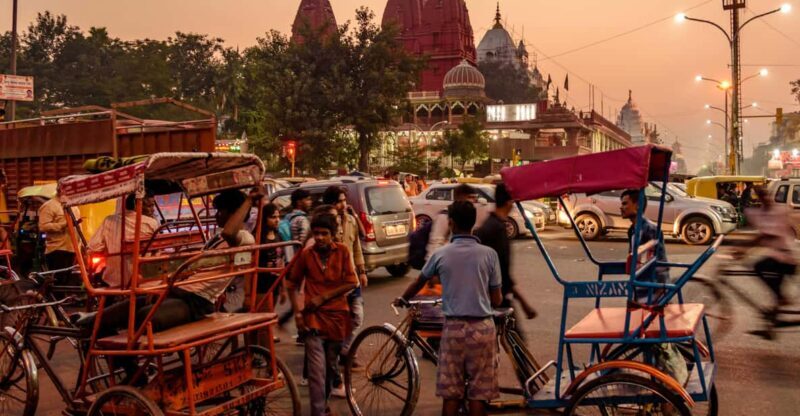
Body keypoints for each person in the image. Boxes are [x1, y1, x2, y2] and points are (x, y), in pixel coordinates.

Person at [75, 189, 260, 382]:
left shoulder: (244, 237)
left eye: (221, 211)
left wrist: (248, 201)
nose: (216, 216)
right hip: (177, 293)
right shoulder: (218, 237)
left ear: (234, 213)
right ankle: (92, 324)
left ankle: (133, 376)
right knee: (109, 317)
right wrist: (162, 287)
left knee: (140, 318)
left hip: (195, 302)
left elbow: (231, 232)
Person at [395, 201, 502, 416]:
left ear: (451, 223)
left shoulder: (441, 254)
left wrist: (403, 298)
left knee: (451, 393)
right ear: (473, 224)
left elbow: (419, 282)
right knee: (478, 393)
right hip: (482, 329)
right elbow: (496, 299)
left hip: (453, 330)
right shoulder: (489, 254)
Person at [287, 212, 358, 416]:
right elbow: (291, 283)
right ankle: (318, 412)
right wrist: (298, 314)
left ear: (333, 234)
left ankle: (323, 405)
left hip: (336, 318)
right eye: (316, 233)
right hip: (312, 319)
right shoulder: (306, 254)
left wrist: (324, 297)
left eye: (324, 234)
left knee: (329, 368)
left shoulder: (343, 251)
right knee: (317, 372)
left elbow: (352, 282)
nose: (319, 238)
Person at [322, 186, 367, 397]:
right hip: (335, 285)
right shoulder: (325, 228)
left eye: (344, 200)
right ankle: (332, 380)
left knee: (357, 316)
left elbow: (358, 244)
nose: (343, 204)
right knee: (332, 333)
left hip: (352, 279)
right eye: (339, 201)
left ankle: (345, 349)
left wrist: (362, 270)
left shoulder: (349, 220)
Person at [737, 186, 797, 337]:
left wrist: (744, 249)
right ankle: (770, 327)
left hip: (786, 258)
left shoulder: (778, 211)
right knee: (774, 289)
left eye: (764, 195)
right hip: (780, 255)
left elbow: (766, 236)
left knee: (759, 266)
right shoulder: (766, 212)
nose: (764, 198)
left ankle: (780, 300)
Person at [473, 183, 537, 322]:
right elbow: (501, 271)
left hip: (491, 295)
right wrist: (523, 302)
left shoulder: (492, 225)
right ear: (509, 203)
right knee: (512, 341)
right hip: (496, 297)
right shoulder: (496, 229)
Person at [88, 193, 159, 288]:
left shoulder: (109, 221)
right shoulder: (152, 223)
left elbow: (94, 247)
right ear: (136, 204)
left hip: (116, 280)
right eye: (149, 206)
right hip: (145, 279)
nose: (153, 209)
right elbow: (157, 249)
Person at [619, 189, 669, 302]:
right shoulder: (632, 230)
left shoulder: (649, 229)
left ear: (637, 205)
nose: (621, 207)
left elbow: (652, 262)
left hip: (654, 287)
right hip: (641, 285)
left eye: (625, 203)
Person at [256, 203, 288, 344]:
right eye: (272, 217)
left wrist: (283, 288)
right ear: (264, 219)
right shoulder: (257, 238)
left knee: (269, 315)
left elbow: (281, 262)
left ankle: (266, 340)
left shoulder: (278, 235)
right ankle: (263, 351)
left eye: (278, 217)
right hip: (261, 285)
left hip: (274, 282)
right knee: (262, 319)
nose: (276, 220)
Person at [38, 192, 81, 285]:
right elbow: (43, 226)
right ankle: (55, 297)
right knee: (58, 280)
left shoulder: (73, 206)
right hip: (57, 249)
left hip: (72, 248)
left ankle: (65, 298)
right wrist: (63, 225)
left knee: (68, 279)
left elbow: (78, 227)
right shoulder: (49, 206)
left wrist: (79, 247)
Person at [426, 183, 478, 259]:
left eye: (475, 197)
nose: (474, 200)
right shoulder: (445, 215)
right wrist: (435, 263)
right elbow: (436, 242)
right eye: (470, 197)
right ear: (460, 197)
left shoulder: (469, 214)